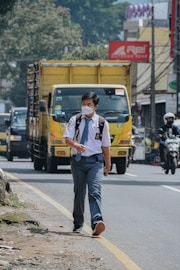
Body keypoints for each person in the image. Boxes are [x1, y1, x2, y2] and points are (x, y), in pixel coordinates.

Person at [63, 92, 111, 237]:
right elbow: (66, 138)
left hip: (95, 162)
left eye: (89, 104)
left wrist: (108, 164)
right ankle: (78, 223)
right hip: (78, 161)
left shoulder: (102, 123)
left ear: (96, 106)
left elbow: (105, 146)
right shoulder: (76, 120)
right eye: (84, 104)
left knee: (94, 191)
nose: (86, 107)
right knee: (79, 192)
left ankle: (97, 222)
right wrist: (76, 145)